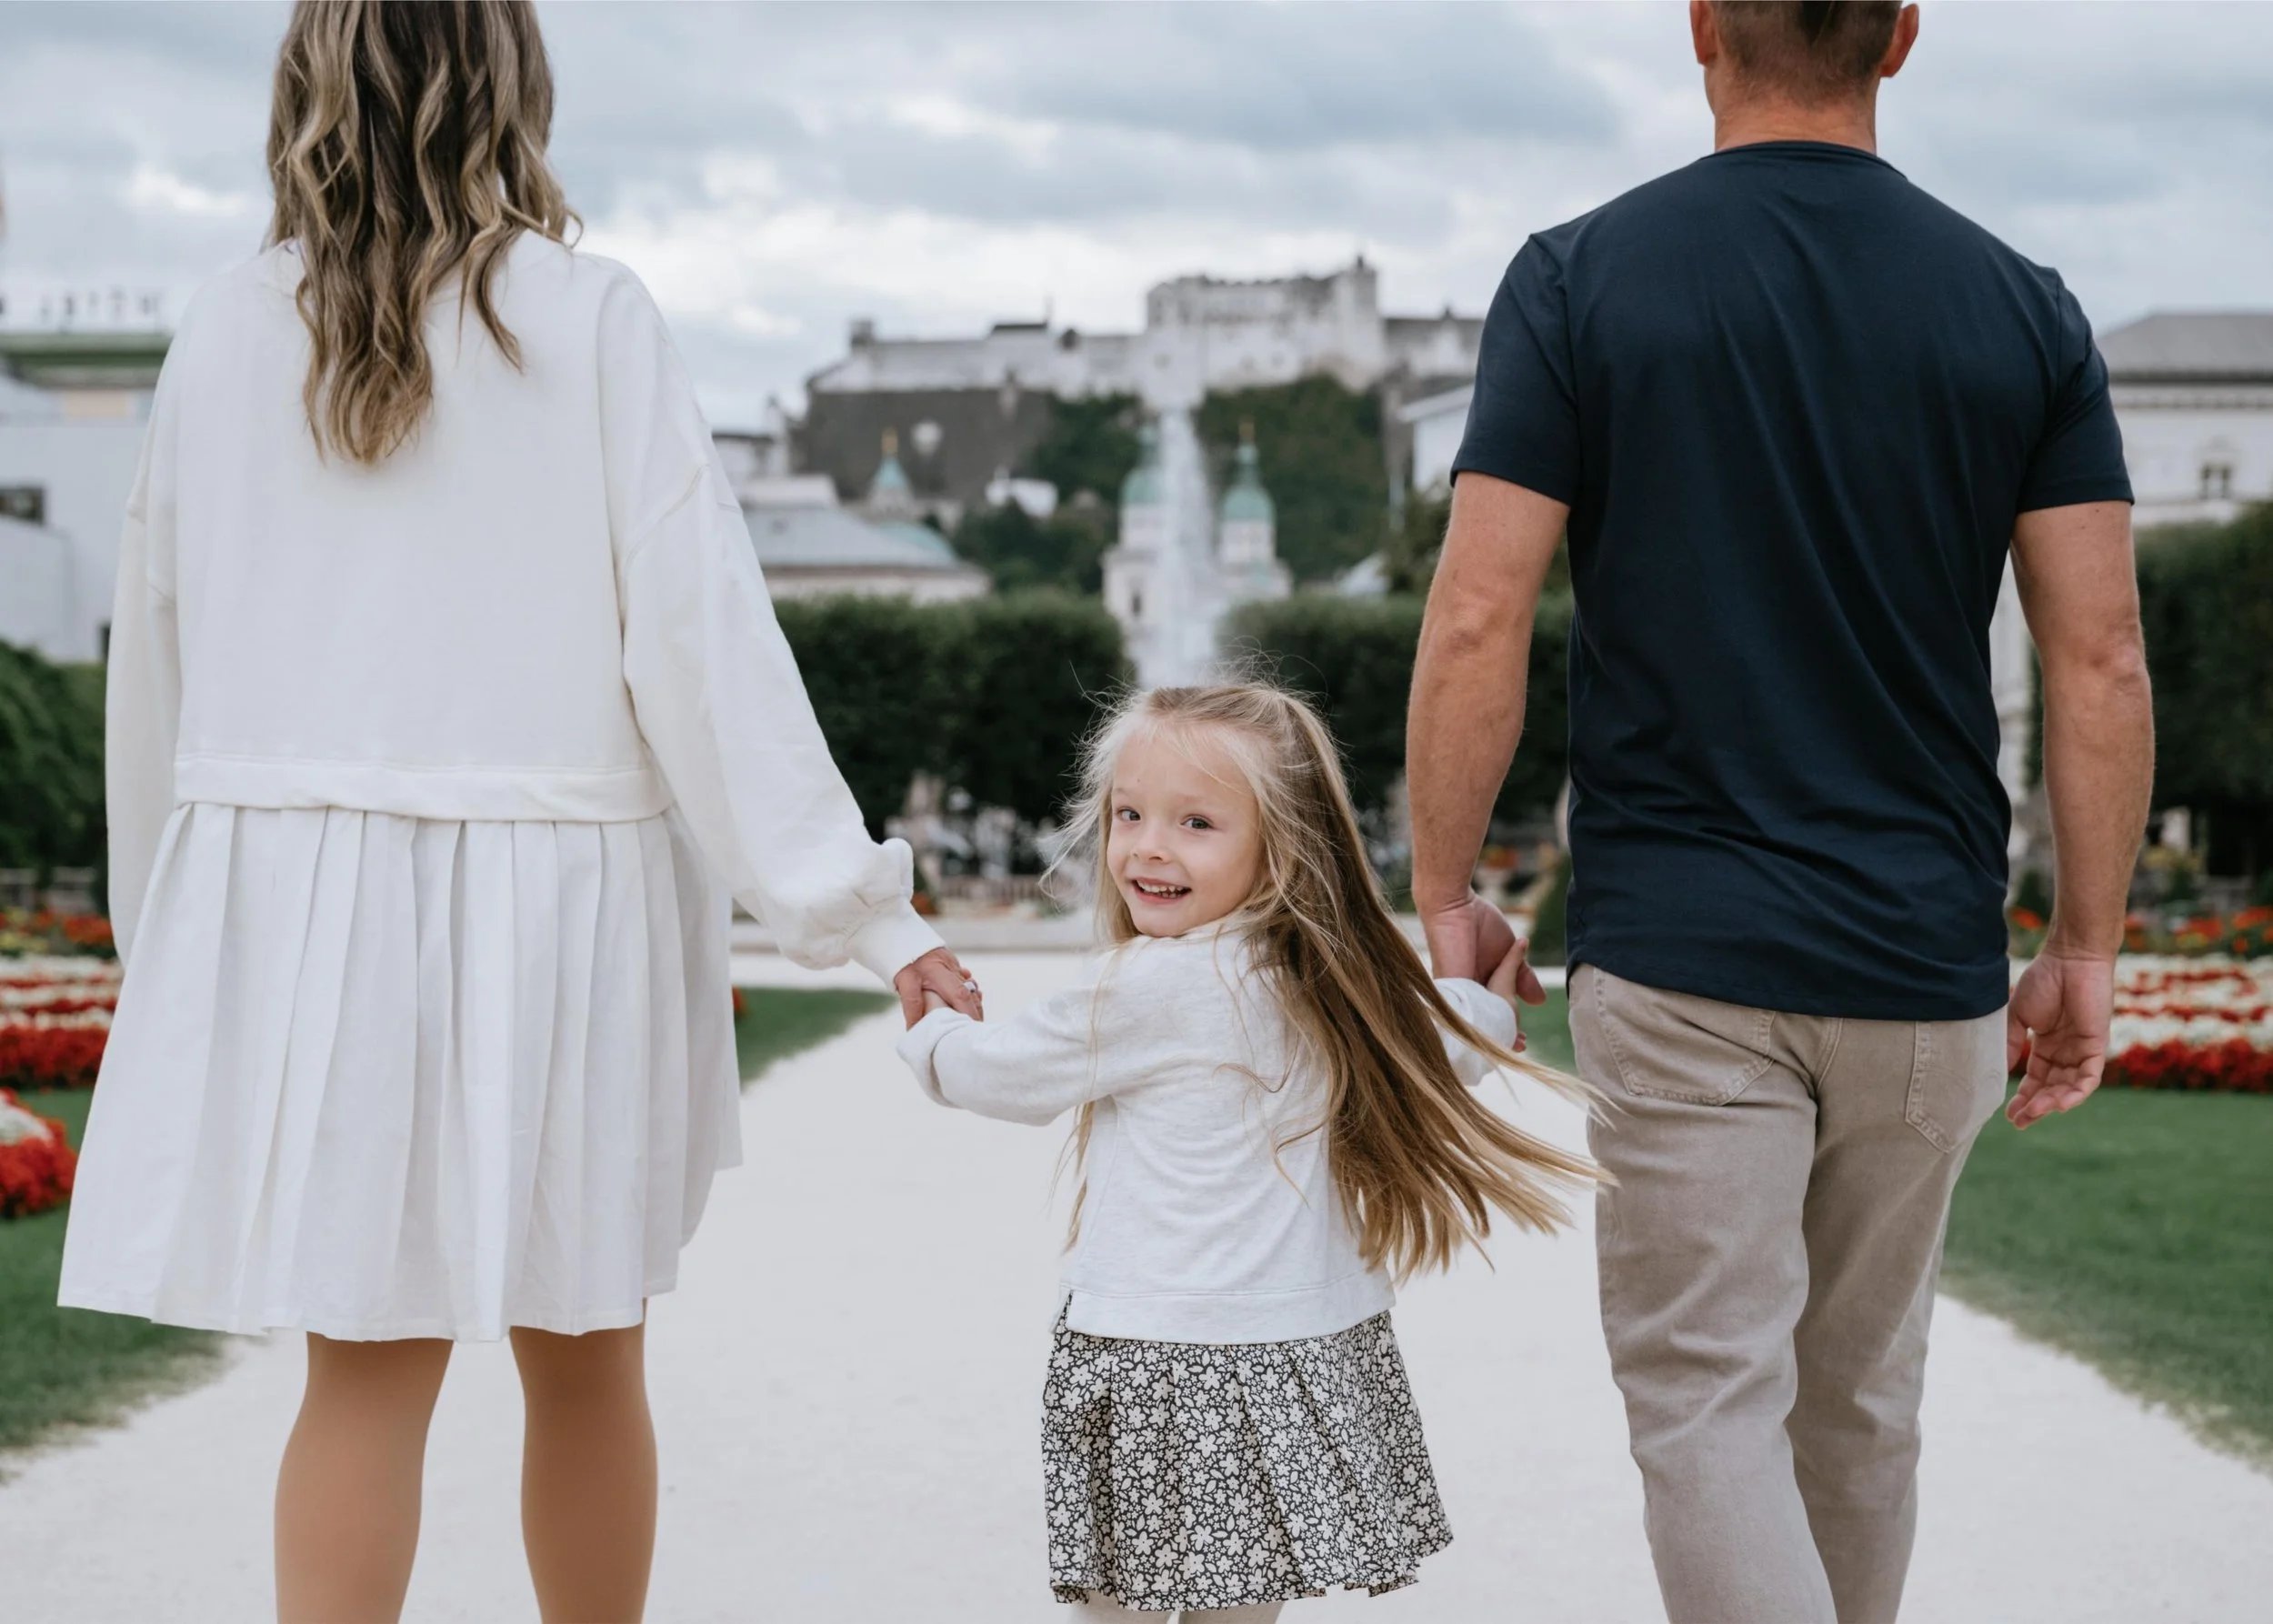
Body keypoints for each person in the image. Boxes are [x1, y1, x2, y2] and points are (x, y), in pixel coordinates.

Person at [55, 5, 978, 1620]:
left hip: (319, 908)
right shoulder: (594, 319)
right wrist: (861, 907)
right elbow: (704, 651)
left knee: (360, 1370)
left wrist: (170, 929)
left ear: (307, 83)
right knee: (586, 1352)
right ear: (515, 84)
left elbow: (164, 658)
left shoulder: (220, 329)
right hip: (568, 910)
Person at [1406, 4, 2153, 1621]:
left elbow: (1478, 615)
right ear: (1899, 38)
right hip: (1923, 952)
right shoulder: (2023, 306)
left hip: (1682, 952)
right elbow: (2101, 657)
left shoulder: (1577, 279)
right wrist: (2087, 945)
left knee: (1705, 1402)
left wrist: (1448, 882)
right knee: (1862, 1409)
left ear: (1698, 30)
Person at [896, 683, 1596, 1619]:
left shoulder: (1157, 986)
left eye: (1195, 822)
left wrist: (932, 1031)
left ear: (1281, 846)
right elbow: (1453, 1038)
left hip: (1155, 1359)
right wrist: (1492, 998)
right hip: (1288, 1360)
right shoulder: (1336, 983)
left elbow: (1001, 1076)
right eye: (1130, 813)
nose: (1148, 844)